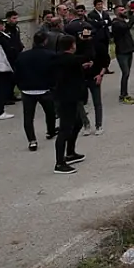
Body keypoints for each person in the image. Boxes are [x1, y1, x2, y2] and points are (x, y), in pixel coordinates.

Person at [14, 31, 58, 151]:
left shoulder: (22, 56)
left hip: (27, 90)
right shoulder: (50, 55)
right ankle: (50, 131)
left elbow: (17, 73)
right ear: (45, 41)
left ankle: (32, 141)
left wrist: (20, 85)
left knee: (28, 117)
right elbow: (54, 72)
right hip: (45, 89)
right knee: (50, 112)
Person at [51, 34, 90, 174]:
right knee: (65, 129)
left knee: (78, 123)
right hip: (68, 98)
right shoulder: (71, 60)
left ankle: (71, 152)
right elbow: (86, 56)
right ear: (72, 45)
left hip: (63, 96)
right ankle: (60, 163)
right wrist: (86, 42)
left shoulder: (57, 59)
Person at [110, 5, 134, 104]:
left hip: (128, 50)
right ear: (116, 12)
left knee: (127, 73)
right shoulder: (116, 23)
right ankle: (123, 95)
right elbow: (126, 27)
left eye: (124, 9)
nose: (124, 11)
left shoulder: (122, 21)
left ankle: (125, 93)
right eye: (121, 10)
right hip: (122, 52)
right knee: (125, 73)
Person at [87, 0, 114, 74]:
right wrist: (102, 22)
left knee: (106, 52)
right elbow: (94, 24)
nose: (100, 6)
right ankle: (98, 68)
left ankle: (105, 68)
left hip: (105, 35)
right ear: (95, 6)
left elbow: (109, 22)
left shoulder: (105, 14)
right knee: (99, 53)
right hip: (97, 37)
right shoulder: (91, 14)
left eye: (101, 4)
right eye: (98, 4)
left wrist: (102, 23)